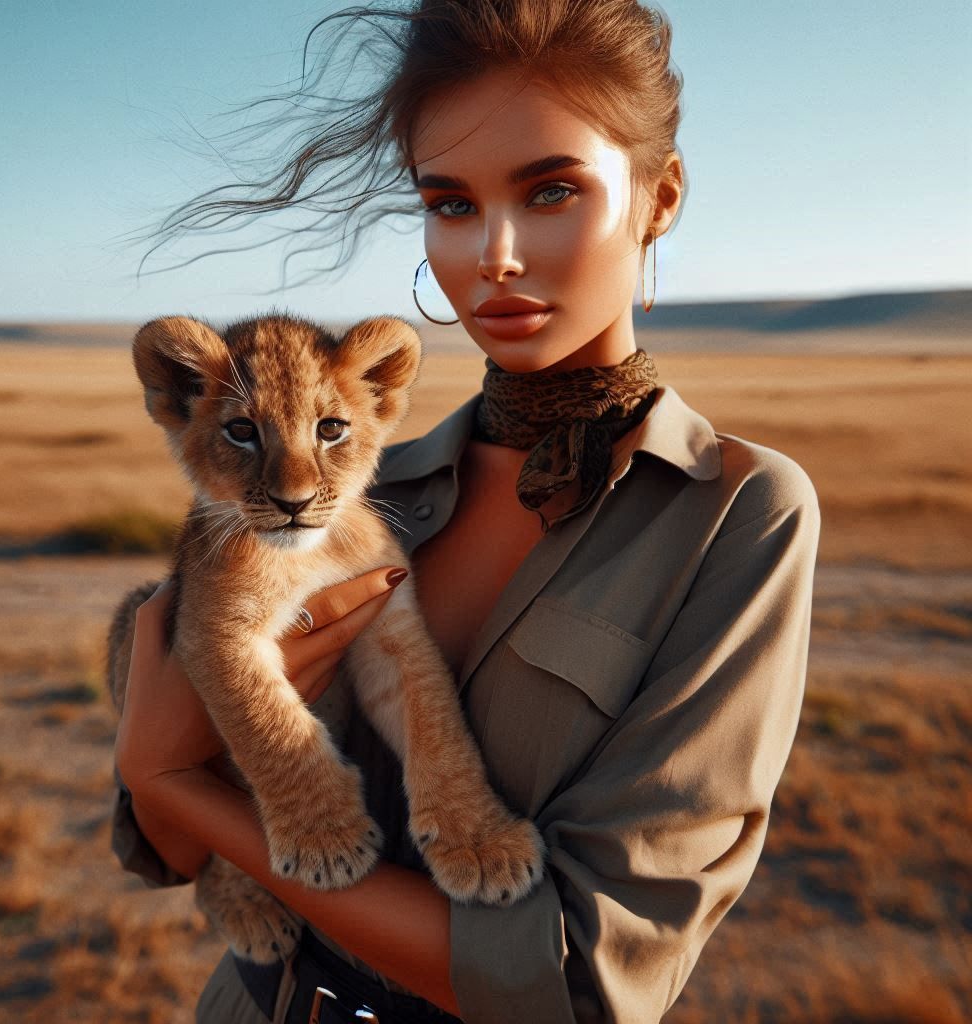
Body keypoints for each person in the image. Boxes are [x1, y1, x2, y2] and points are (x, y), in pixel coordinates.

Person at [112, 2, 821, 1021]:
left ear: (658, 198)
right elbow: (167, 855)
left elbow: (576, 980)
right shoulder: (363, 484)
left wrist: (167, 771)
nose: (492, 254)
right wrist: (170, 779)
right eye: (449, 203)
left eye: (549, 191)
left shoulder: (736, 514)